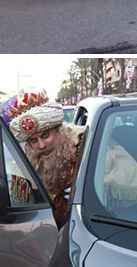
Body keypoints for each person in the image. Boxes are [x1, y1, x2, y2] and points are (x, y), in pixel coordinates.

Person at [8, 90, 85, 228]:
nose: (41, 145)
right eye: (33, 140)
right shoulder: (23, 163)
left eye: (45, 135)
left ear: (59, 130)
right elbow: (21, 210)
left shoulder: (85, 141)